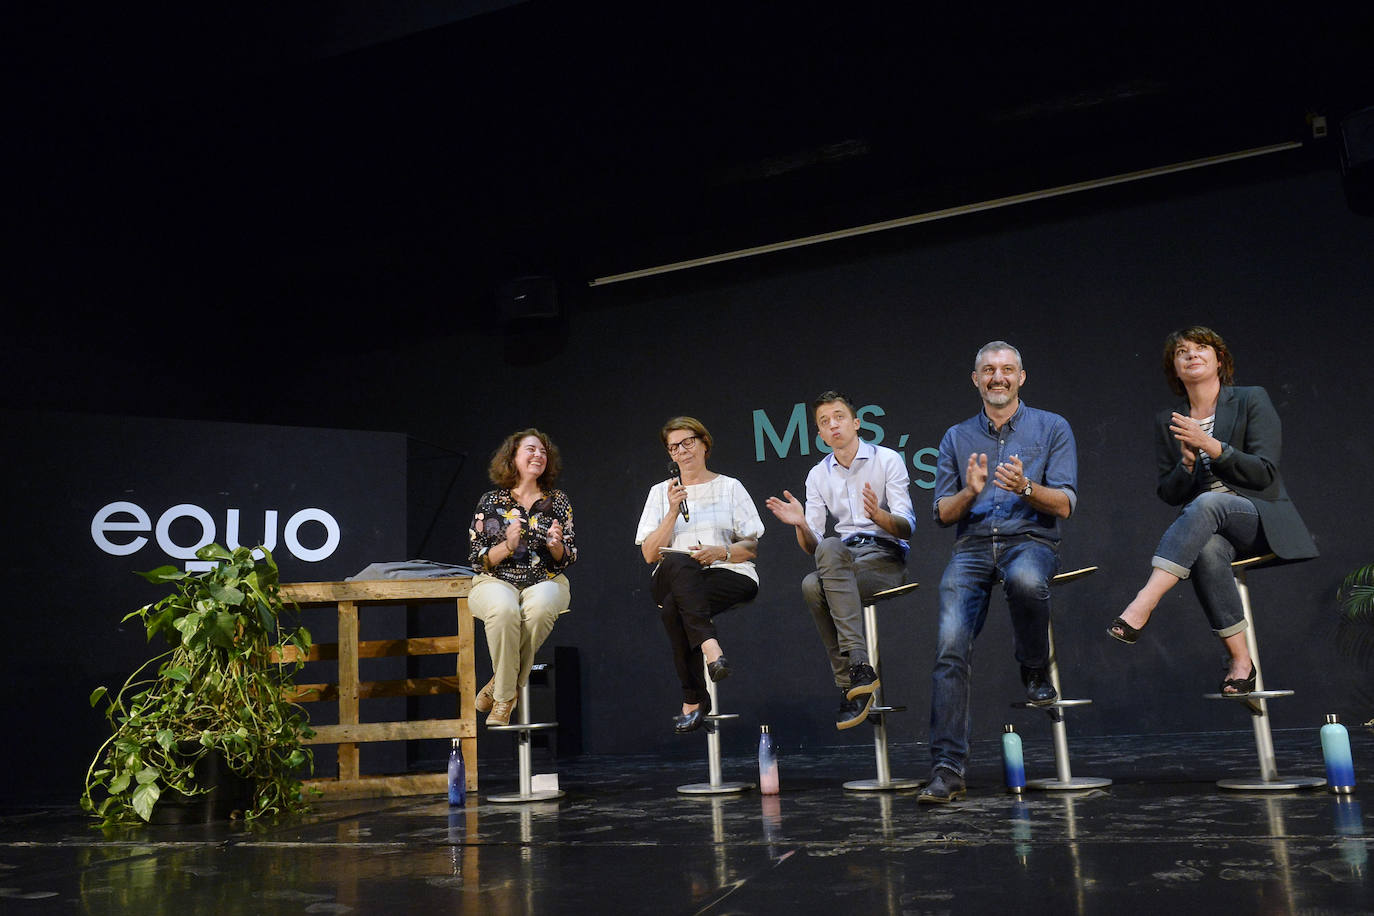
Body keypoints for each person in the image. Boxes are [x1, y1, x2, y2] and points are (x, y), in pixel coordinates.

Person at [1107, 327, 1317, 695]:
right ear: (1174, 368)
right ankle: (1240, 662)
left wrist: (1211, 446)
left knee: (1209, 501)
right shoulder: (1168, 419)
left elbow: (1265, 471)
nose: (1192, 355)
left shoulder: (1251, 399)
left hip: (1258, 516)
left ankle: (1144, 602)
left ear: (1220, 359)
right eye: (1182, 351)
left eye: (1202, 348)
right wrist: (1187, 464)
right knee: (1205, 549)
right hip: (1210, 527)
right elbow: (1169, 493)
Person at [919, 341, 1078, 804]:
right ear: (976, 380)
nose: (998, 377)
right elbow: (942, 514)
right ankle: (947, 769)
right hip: (970, 547)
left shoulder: (1052, 428)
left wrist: (1025, 487)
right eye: (989, 370)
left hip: (1029, 540)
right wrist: (970, 492)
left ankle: (1032, 666)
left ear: (1021, 377)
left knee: (1028, 582)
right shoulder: (955, 437)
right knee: (950, 647)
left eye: (1007, 369)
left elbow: (1065, 503)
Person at [765, 391, 914, 730]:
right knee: (818, 565)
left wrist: (879, 516)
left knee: (816, 575)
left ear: (856, 422)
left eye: (839, 417)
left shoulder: (887, 459)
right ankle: (858, 675)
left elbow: (907, 527)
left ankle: (851, 680)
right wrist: (801, 524)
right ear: (819, 434)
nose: (833, 425)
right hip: (844, 559)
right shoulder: (818, 475)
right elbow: (812, 546)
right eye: (824, 422)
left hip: (884, 559)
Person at [635, 417, 764, 734]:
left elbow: (751, 548)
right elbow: (651, 554)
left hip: (726, 573)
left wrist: (720, 552)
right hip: (670, 573)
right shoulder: (660, 493)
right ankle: (711, 649)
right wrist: (672, 511)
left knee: (674, 609)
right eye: (674, 447)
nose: (682, 451)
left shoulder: (730, 487)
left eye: (688, 442)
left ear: (704, 443)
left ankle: (693, 700)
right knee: (680, 561)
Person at [468, 429, 576, 726]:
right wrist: (508, 546)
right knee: (504, 611)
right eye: (530, 449)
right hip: (495, 580)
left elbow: (569, 556)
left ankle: (499, 688)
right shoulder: (491, 501)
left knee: (539, 608)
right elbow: (478, 557)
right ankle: (506, 696)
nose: (538, 455)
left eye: (543, 451)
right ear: (512, 458)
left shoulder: (557, 501)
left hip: (545, 580)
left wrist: (557, 547)